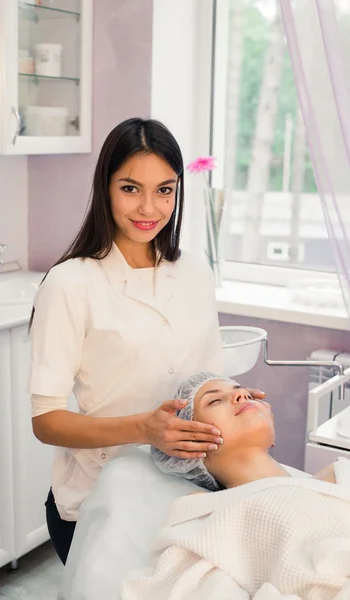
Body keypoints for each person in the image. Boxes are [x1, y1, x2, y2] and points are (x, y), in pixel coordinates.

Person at [28, 118, 266, 565]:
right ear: (106, 188)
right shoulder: (69, 284)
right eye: (131, 188)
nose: (149, 208)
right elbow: (46, 421)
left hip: (185, 496)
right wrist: (144, 427)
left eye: (165, 190)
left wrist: (233, 398)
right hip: (99, 504)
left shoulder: (194, 274)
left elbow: (205, 379)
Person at [122, 372, 350, 599]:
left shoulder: (347, 474)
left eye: (248, 394)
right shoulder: (213, 520)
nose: (242, 395)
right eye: (215, 401)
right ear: (188, 445)